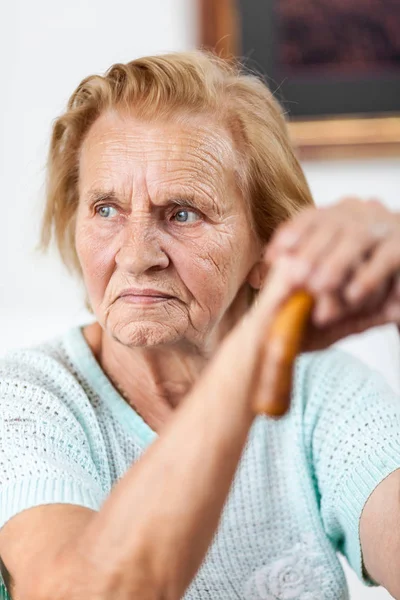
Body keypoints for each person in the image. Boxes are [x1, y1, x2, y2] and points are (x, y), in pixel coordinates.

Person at [0, 51, 399, 600]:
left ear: (269, 245)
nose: (136, 255)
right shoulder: (28, 399)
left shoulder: (326, 393)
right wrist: (254, 353)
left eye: (182, 212)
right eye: (106, 210)